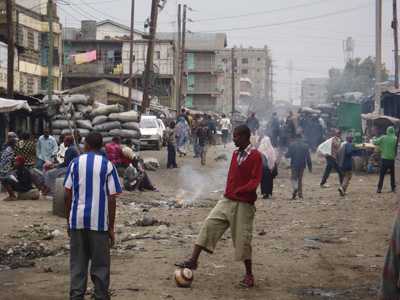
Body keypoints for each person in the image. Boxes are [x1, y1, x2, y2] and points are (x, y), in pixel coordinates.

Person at [175, 125, 263, 288]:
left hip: (244, 204)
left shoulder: (256, 156)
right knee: (209, 224)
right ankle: (193, 260)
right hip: (228, 199)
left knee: (243, 240)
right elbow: (232, 175)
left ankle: (249, 275)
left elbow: (255, 180)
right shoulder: (236, 154)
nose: (234, 139)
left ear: (245, 137)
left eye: (236, 136)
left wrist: (241, 190)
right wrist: (229, 190)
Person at [64, 132, 122, 300]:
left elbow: (67, 195)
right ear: (101, 146)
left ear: (87, 145)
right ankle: (100, 296)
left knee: (78, 265)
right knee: (101, 265)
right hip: (99, 224)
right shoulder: (108, 165)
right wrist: (111, 227)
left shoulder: (75, 164)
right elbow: (112, 198)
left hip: (78, 221)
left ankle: (76, 296)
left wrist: (69, 220)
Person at [286, 133, 312, 200]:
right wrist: (310, 167)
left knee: (293, 178)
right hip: (302, 165)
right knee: (300, 180)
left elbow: (288, 155)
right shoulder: (305, 146)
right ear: (301, 138)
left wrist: (286, 154)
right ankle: (300, 194)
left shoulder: (292, 145)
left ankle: (295, 188)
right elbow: (308, 157)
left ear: (295, 138)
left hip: (294, 165)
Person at [374, 126, 397, 193]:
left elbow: (375, 142)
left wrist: (374, 139)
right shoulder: (395, 138)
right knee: (392, 175)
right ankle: (393, 188)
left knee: (382, 175)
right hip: (392, 160)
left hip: (384, 159)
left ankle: (379, 189)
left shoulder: (383, 137)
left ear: (387, 131)